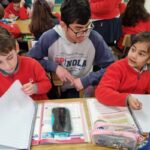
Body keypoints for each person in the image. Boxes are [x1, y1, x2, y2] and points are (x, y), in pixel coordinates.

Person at [27, 0, 114, 98]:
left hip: (82, 89)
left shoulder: (94, 38)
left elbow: (112, 67)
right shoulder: (50, 37)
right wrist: (54, 67)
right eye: (78, 29)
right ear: (63, 25)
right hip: (55, 88)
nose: (84, 34)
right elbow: (30, 60)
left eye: (87, 27)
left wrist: (87, 80)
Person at [95, 31, 150, 110]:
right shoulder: (117, 68)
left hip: (138, 112)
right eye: (133, 49)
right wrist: (126, 99)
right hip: (117, 109)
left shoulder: (147, 72)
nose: (133, 56)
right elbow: (101, 92)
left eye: (141, 54)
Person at [0, 33, 52, 100]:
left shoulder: (32, 64)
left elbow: (47, 85)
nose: (7, 66)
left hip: (39, 106)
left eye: (10, 57)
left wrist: (35, 88)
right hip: (13, 109)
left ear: (17, 48)